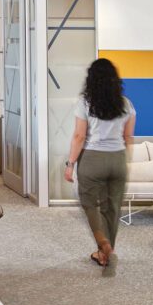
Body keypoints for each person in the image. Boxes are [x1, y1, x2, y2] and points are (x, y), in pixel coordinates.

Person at [64, 58, 135, 267]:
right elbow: (128, 137)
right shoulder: (126, 103)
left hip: (93, 158)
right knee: (111, 208)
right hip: (118, 158)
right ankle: (106, 252)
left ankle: (102, 242)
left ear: (91, 79)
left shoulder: (85, 102)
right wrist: (125, 161)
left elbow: (79, 136)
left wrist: (70, 165)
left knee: (89, 202)